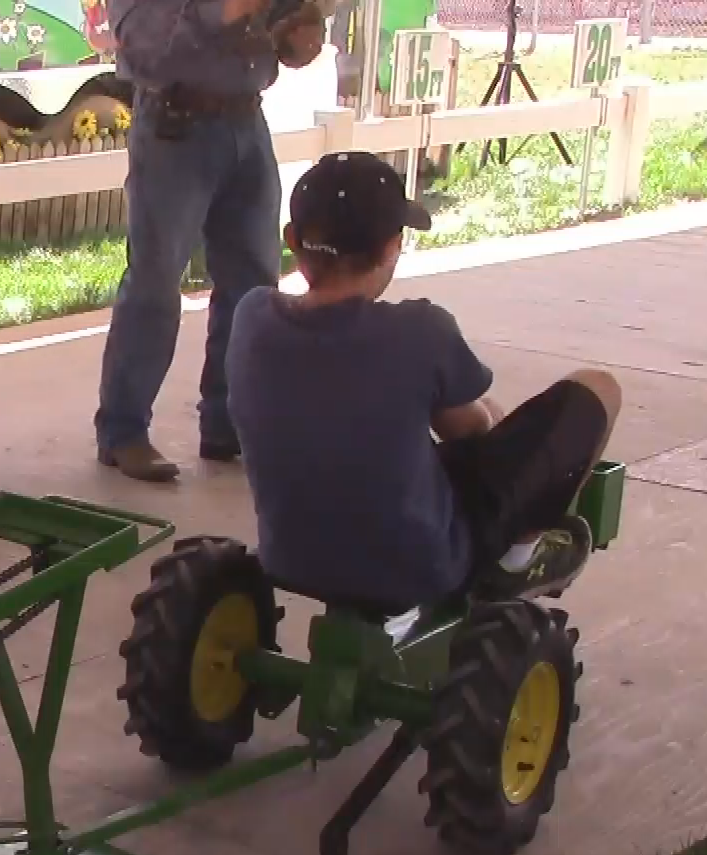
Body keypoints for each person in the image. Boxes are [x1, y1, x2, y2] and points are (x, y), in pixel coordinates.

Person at [226, 152, 623, 614]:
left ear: (292, 239)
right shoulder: (419, 331)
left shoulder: (251, 316)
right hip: (418, 569)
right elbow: (473, 434)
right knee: (599, 389)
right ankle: (517, 560)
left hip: (290, 557)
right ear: (392, 247)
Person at [93, 0, 329, 482]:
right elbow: (144, 43)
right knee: (156, 282)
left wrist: (298, 28)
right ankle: (123, 432)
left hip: (247, 120)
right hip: (173, 125)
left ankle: (228, 424)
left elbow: (288, 40)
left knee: (253, 284)